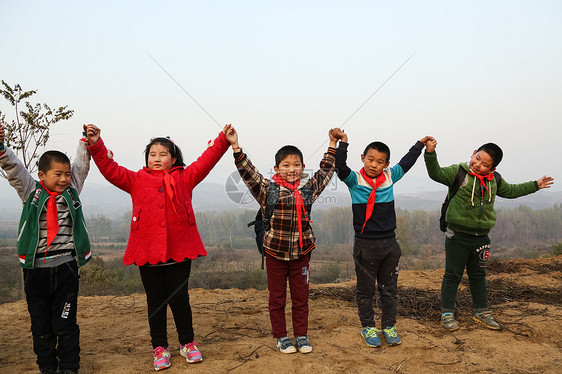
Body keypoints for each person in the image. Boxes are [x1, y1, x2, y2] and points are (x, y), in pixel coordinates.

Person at [85, 124, 236, 371]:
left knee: (179, 299)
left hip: (180, 250)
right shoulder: (136, 180)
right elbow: (111, 170)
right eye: (152, 154)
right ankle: (160, 348)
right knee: (155, 301)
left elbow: (205, 162)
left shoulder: (185, 177)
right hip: (147, 252)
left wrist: (224, 139)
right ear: (146, 158)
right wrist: (96, 144)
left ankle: (187, 343)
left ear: (173, 158)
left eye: (163, 154)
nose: (157, 158)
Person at [228, 127, 338, 354]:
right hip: (275, 255)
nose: (292, 169)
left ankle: (301, 335)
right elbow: (248, 173)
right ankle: (281, 337)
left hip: (302, 254)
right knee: (277, 299)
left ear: (302, 167)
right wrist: (236, 147)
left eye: (296, 165)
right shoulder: (268, 190)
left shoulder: (307, 191)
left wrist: (332, 144)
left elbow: (326, 171)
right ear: (276, 168)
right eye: (286, 165)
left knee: (301, 299)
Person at [424, 139, 554, 331]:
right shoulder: (459, 172)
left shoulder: (495, 180)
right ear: (473, 152)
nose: (478, 165)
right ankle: (447, 313)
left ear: (492, 168)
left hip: (482, 237)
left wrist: (535, 184)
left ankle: (482, 312)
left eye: (485, 164)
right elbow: (436, 173)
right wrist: (430, 154)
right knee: (453, 275)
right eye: (477, 159)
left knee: (478, 276)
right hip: (457, 236)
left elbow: (512, 191)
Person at [0, 123, 92, 374]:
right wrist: (1, 148)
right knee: (41, 326)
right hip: (35, 271)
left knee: (65, 323)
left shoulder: (71, 190)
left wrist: (85, 141)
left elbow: (81, 167)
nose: (64, 179)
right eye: (57, 174)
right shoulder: (31, 191)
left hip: (66, 269)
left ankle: (70, 369)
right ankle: (47, 368)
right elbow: (14, 168)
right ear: (42, 176)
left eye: (66, 174)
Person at [332, 128, 433, 348]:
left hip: (389, 244)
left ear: (386, 165)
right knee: (365, 290)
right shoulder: (354, 180)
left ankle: (389, 326)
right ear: (363, 158)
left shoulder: (390, 176)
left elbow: (406, 163)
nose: (374, 165)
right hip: (365, 244)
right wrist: (344, 143)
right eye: (370, 159)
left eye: (380, 162)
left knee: (389, 289)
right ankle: (368, 326)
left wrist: (419, 144)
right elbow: (340, 168)